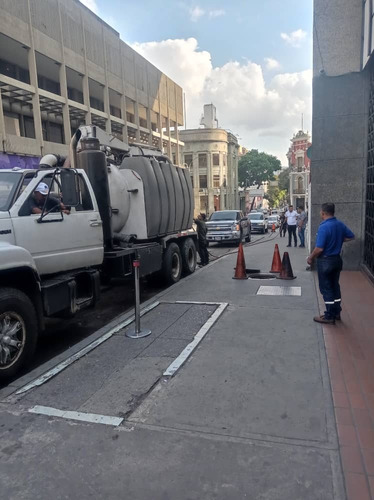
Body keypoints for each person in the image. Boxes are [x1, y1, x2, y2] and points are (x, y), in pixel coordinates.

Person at [307, 202, 354, 324]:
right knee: (335, 286)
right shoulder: (339, 224)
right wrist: (339, 239)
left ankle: (329, 315)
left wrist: (310, 257)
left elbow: (319, 248)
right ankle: (337, 312)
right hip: (337, 260)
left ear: (323, 213)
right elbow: (351, 236)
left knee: (326, 288)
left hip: (325, 261)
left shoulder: (324, 227)